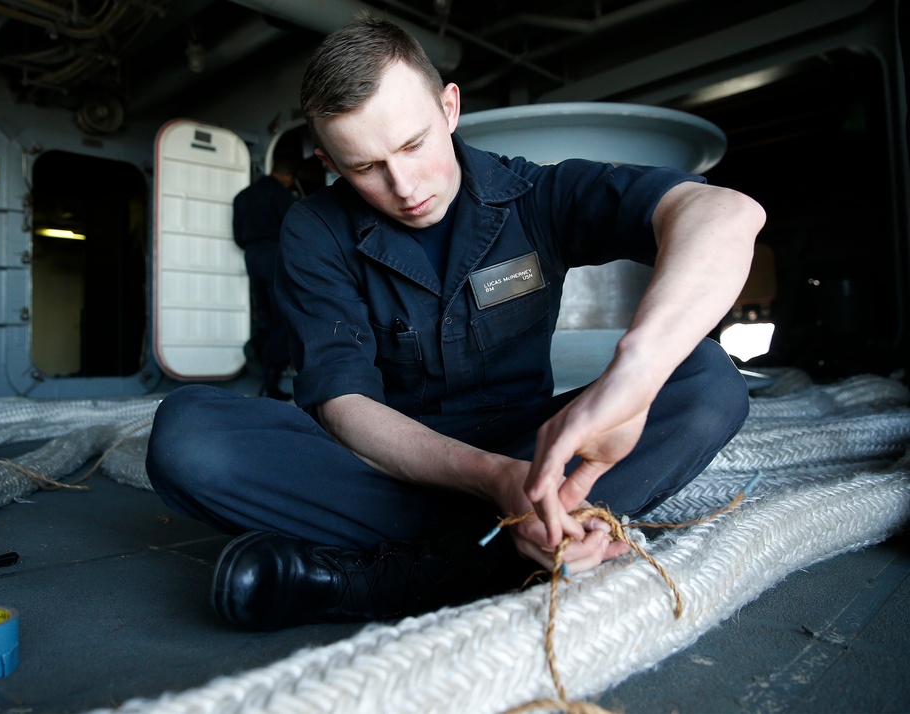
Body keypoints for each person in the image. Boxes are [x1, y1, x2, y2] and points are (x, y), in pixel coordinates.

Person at [146, 16, 766, 631]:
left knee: (707, 381)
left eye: (414, 145)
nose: (404, 185)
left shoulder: (535, 194)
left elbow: (723, 211)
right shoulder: (313, 229)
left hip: (530, 447)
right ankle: (494, 553)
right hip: (382, 462)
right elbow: (342, 405)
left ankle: (377, 579)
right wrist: (496, 481)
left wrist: (635, 375)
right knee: (188, 435)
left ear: (450, 107)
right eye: (365, 168)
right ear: (327, 160)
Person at [232, 157, 297, 400]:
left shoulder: (242, 196)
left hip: (251, 256)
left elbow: (238, 236)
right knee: (282, 314)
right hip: (273, 253)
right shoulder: (281, 194)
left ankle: (265, 374)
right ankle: (273, 375)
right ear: (287, 177)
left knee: (264, 314)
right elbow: (292, 226)